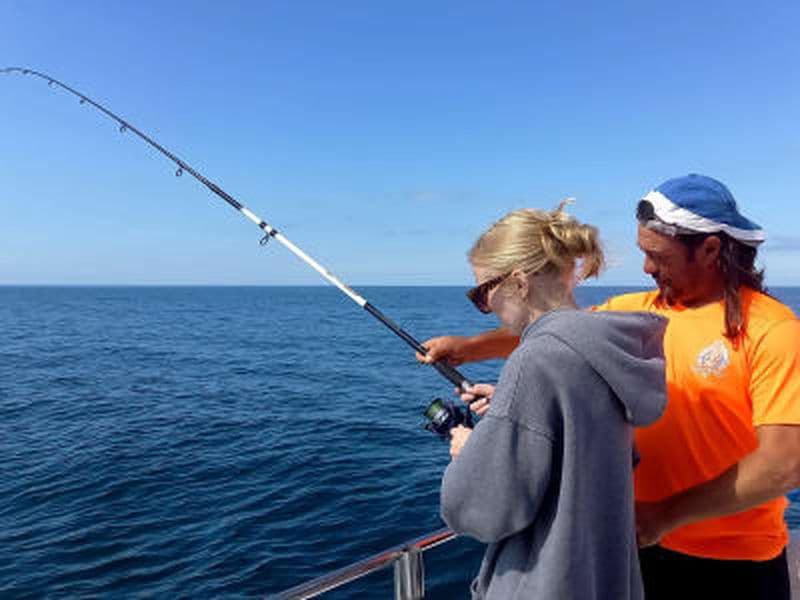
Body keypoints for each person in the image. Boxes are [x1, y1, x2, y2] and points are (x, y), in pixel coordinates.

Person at [422, 175, 800, 599]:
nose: (646, 268)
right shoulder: (634, 314)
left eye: (658, 256)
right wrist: (467, 349)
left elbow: (783, 464)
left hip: (732, 565)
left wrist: (665, 516)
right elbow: (560, 335)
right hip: (634, 548)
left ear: (710, 249)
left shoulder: (773, 330)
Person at [439, 204, 667, 599]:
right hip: (607, 578)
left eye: (482, 292)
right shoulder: (607, 349)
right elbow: (591, 443)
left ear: (519, 282)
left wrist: (469, 449)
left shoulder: (536, 359)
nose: (485, 307)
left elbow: (481, 510)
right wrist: (510, 411)